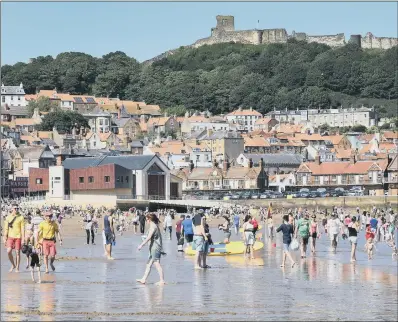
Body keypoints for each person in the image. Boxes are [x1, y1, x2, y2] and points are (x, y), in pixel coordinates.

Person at [137, 213, 165, 285]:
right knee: (148, 264)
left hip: (155, 247)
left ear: (149, 219)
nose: (146, 220)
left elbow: (149, 237)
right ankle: (143, 279)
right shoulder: (153, 226)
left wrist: (141, 245)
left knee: (157, 263)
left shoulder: (153, 226)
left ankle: (162, 280)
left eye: (146, 219)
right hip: (153, 246)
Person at [3, 204, 25, 272]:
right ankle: (13, 264)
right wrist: (4, 237)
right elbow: (6, 228)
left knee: (17, 252)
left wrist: (23, 239)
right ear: (12, 209)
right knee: (8, 251)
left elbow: (22, 229)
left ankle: (17, 267)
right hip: (10, 236)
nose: (16, 209)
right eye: (15, 208)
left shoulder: (21, 217)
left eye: (17, 208)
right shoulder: (8, 217)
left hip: (18, 237)